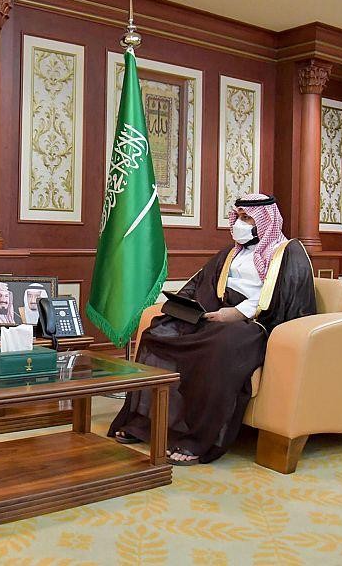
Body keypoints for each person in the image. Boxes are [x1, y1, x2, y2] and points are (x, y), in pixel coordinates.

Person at [108, 194, 316, 465]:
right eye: (238, 217)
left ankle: (198, 438)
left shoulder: (288, 252)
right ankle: (144, 422)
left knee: (221, 345)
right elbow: (200, 283)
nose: (239, 223)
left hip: (257, 324)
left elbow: (283, 297)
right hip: (219, 315)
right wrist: (185, 307)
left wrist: (237, 313)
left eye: (247, 218)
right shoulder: (232, 252)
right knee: (158, 332)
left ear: (265, 221)